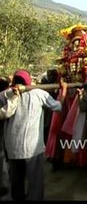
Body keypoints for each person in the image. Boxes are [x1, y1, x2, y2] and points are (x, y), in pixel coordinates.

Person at [2, 69, 67, 201]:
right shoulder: (39, 93)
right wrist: (64, 90)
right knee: (35, 182)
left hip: (13, 147)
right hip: (33, 148)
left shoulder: (5, 94)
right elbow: (58, 106)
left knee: (16, 181)